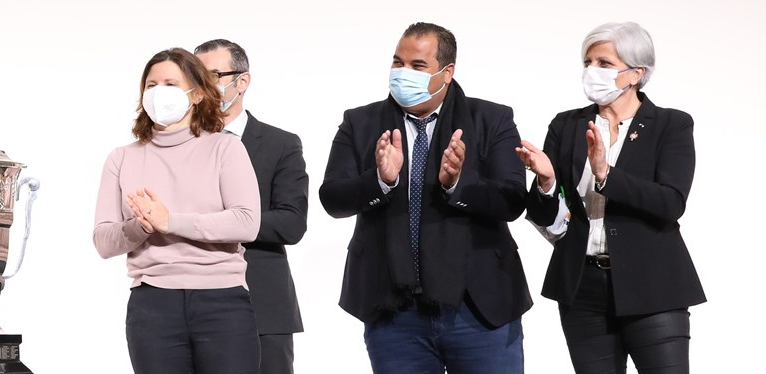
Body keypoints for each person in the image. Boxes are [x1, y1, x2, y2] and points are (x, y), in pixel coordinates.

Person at [318, 22, 532, 374]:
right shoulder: (360, 122)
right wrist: (381, 181)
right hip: (393, 310)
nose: (403, 73)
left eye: (418, 66)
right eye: (398, 63)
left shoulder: (492, 119)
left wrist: (458, 183)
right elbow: (332, 199)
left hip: (478, 308)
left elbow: (512, 201)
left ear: (446, 72)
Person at [517, 22, 703, 374]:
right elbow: (545, 217)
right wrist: (546, 181)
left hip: (653, 285)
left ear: (636, 73)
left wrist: (606, 174)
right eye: (588, 62)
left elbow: (670, 203)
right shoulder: (566, 126)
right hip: (582, 287)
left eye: (604, 63)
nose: (592, 71)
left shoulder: (671, 125)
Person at [94, 47, 262, 374]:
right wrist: (142, 226)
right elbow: (103, 241)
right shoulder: (122, 158)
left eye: (170, 84)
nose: (159, 93)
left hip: (222, 302)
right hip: (153, 305)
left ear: (197, 94)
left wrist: (170, 221)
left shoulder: (226, 147)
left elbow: (246, 222)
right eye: (151, 85)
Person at [194, 39, 309, 374]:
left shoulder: (280, 144)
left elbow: (291, 223)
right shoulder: (179, 145)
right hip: (190, 301)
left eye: (213, 75)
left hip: (262, 305)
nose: (203, 85)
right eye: (195, 77)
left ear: (242, 81)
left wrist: (222, 223)